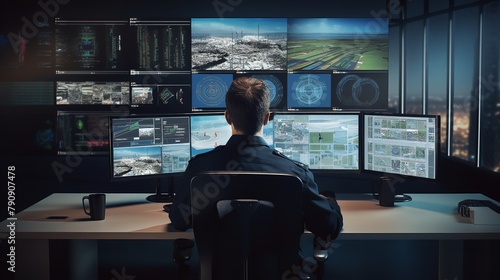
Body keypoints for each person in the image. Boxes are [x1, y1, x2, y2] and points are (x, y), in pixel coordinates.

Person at [169, 76, 343, 276]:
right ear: (267, 117)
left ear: (227, 117)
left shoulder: (199, 169)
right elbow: (329, 227)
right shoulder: (295, 173)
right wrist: (330, 203)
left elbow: (179, 220)